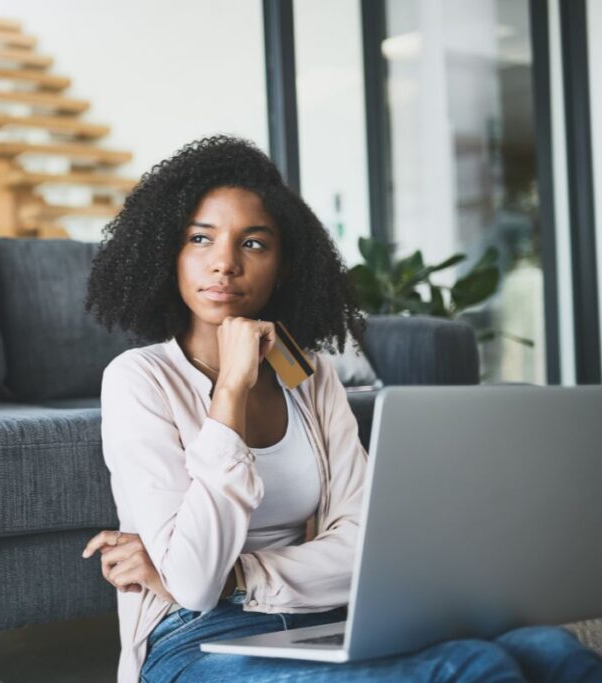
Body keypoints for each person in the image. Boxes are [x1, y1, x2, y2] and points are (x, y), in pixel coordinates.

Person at [81, 135, 602, 683]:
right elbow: (192, 585)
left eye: (253, 244)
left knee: (551, 651)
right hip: (192, 639)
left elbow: (361, 547)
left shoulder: (309, 376)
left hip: (316, 617)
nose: (225, 264)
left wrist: (242, 576)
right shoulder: (138, 380)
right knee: (471, 666)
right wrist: (231, 389)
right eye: (200, 238)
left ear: (283, 266)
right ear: (170, 252)